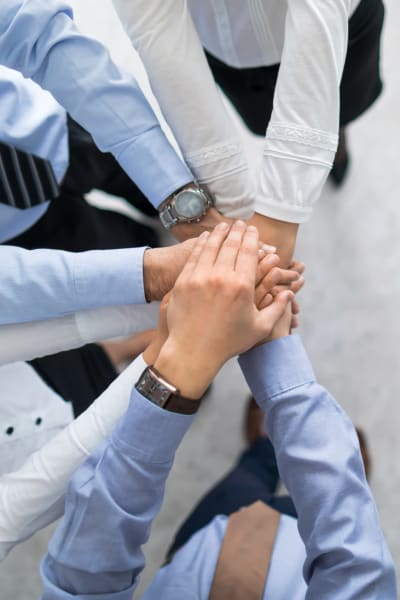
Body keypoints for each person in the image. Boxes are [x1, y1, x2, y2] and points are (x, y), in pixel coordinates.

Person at [40, 222, 396, 599]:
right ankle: (296, 458)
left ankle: (266, 452)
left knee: (252, 479)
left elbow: (81, 581)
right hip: (292, 574)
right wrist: (276, 360)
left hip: (199, 563)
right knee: (331, 502)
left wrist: (181, 366)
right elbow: (359, 572)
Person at [0, 225, 302, 560]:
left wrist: (157, 290)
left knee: (91, 363)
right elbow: (14, 514)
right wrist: (177, 354)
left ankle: (131, 346)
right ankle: (148, 345)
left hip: (28, 375)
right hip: (61, 455)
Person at [112, 0, 385, 263]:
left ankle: (336, 143)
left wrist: (280, 212)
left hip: (337, 27)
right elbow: (156, 31)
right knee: (264, 120)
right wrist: (236, 213)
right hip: (232, 51)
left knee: (341, 106)